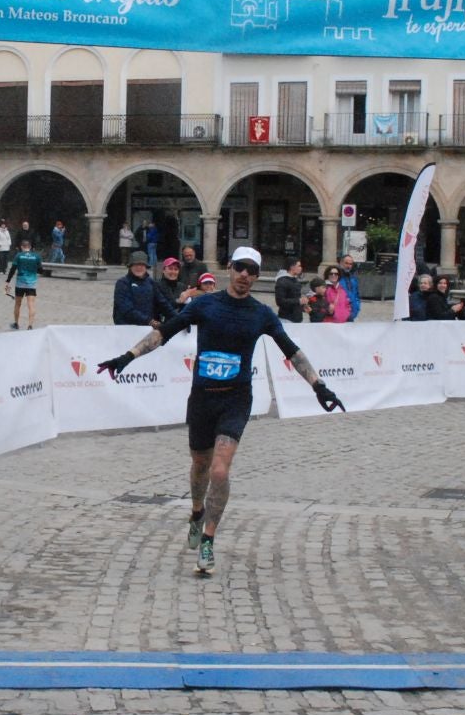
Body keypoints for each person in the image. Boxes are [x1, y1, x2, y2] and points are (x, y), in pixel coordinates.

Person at [96, 246, 344, 577]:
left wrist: (318, 386)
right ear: (229, 268)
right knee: (200, 464)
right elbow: (164, 333)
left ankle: (209, 539)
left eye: (252, 271)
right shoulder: (205, 304)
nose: (245, 275)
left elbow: (292, 352)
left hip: (236, 399)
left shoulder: (261, 314)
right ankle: (197, 512)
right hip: (202, 398)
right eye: (240, 268)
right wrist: (126, 357)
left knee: (220, 470)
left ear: (257, 277)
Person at [4, 235, 41, 330]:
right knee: (31, 304)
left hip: (20, 283)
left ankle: (16, 323)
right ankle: (30, 325)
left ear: (22, 247)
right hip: (31, 284)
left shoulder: (19, 256)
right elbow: (40, 270)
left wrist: (7, 281)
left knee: (17, 303)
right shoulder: (36, 256)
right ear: (30, 247)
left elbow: (13, 269)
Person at [113, 254, 161, 327]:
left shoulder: (151, 282)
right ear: (130, 266)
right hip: (126, 327)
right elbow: (126, 309)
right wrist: (148, 321)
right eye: (135, 265)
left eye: (142, 265)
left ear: (146, 267)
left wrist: (178, 319)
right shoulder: (122, 283)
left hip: (147, 327)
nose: (139, 267)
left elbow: (163, 302)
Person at [154, 257, 184, 323]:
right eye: (170, 269)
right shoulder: (157, 285)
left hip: (178, 324)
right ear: (163, 270)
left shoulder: (181, 286)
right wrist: (179, 300)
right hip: (161, 324)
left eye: (176, 269)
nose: (173, 272)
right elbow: (164, 305)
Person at [338, 254, 362, 321]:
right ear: (341, 263)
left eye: (350, 264)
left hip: (352, 314)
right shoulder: (336, 278)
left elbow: (357, 295)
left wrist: (357, 308)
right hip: (339, 315)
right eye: (346, 263)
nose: (348, 266)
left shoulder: (353, 279)